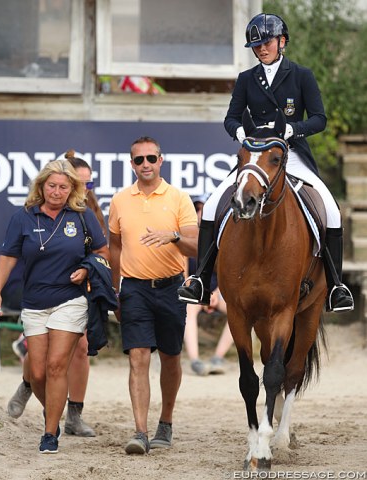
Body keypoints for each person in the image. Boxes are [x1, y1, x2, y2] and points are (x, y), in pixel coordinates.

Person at [177, 12, 354, 313]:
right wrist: (240, 132)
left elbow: (319, 119)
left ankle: (336, 286)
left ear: (281, 41)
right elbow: (231, 117)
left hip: (290, 153)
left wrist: (292, 129)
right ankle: (201, 280)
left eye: (267, 42)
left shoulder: (301, 75)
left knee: (331, 210)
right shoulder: (247, 79)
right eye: (256, 45)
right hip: (255, 156)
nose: (262, 49)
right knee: (210, 206)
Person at [0, 159, 109, 454]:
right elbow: (7, 256)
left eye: (63, 187)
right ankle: (52, 411)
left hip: (70, 299)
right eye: (52, 186)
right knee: (39, 372)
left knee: (57, 366)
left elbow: (102, 251)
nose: (57, 192)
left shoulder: (82, 216)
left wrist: (87, 268)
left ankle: (50, 432)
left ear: (73, 189)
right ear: (41, 186)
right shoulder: (24, 218)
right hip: (34, 303)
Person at [108, 136, 198, 454]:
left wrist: (173, 236)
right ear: (131, 164)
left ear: (161, 160)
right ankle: (140, 432)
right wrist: (115, 288)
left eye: (150, 158)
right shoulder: (119, 200)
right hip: (133, 288)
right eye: (138, 160)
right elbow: (114, 246)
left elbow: (197, 245)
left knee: (171, 358)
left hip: (172, 287)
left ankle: (166, 422)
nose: (145, 164)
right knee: (138, 357)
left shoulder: (179, 198)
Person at [184, 195, 233, 376]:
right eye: (198, 210)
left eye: (205, 210)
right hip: (195, 290)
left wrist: (215, 294)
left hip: (217, 291)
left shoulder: (220, 241)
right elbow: (185, 276)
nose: (201, 214)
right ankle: (195, 361)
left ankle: (217, 358)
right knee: (189, 309)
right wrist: (199, 292)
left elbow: (226, 275)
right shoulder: (185, 239)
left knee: (239, 312)